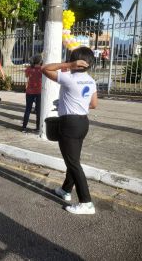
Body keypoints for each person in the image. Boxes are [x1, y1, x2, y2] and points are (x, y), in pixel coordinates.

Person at [41, 46, 98, 215]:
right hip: (82, 123)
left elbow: (45, 69)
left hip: (69, 124)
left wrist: (68, 64)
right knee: (73, 160)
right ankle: (65, 190)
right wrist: (75, 103)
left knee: (73, 163)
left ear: (76, 61)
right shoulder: (91, 80)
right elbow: (94, 104)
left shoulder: (68, 78)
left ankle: (86, 202)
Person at [22, 55, 42, 133]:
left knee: (28, 109)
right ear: (40, 61)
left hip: (29, 91)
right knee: (38, 110)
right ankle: (38, 127)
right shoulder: (42, 69)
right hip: (39, 92)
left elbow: (26, 76)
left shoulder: (29, 69)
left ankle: (24, 126)